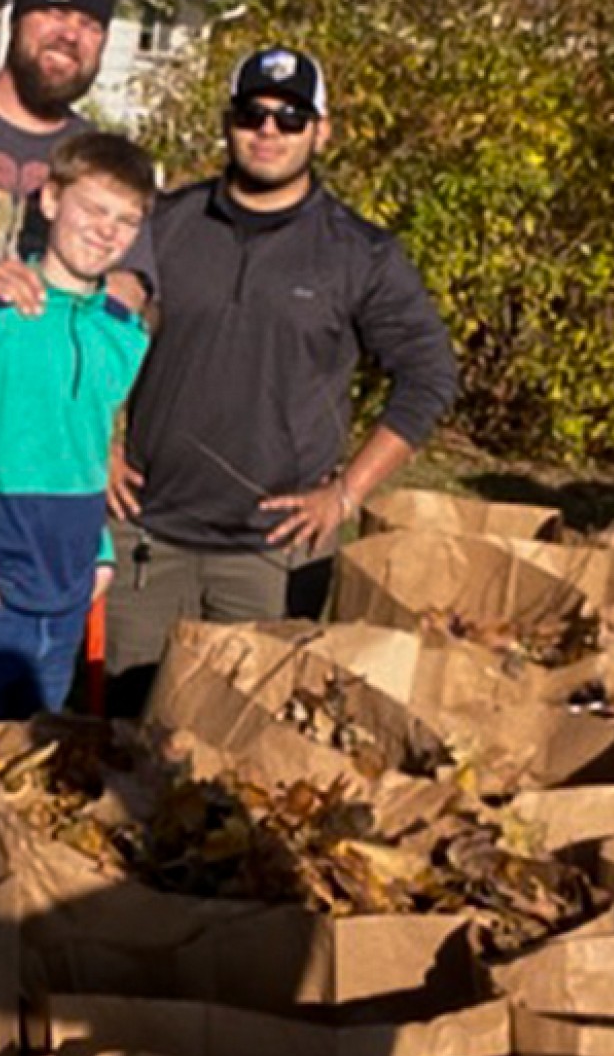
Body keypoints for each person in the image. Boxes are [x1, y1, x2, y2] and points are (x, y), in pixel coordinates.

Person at [102, 45, 459, 714]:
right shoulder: (164, 224)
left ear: (322, 130)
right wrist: (97, 441)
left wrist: (348, 494)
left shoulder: (360, 253)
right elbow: (85, 324)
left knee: (244, 745)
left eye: (291, 118)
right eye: (252, 113)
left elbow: (430, 375)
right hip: (148, 538)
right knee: (127, 733)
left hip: (273, 556)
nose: (268, 130)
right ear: (228, 122)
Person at [0, 133, 155, 803]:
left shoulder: (120, 337)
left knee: (24, 788)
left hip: (66, 600)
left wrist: (99, 554)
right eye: (93, 209)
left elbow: (87, 451)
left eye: (126, 220)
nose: (107, 231)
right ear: (50, 199)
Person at [0, 0, 150, 311]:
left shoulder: (103, 158)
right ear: (16, 20)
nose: (70, 36)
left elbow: (138, 289)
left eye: (90, 25)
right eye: (56, 12)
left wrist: (123, 296)